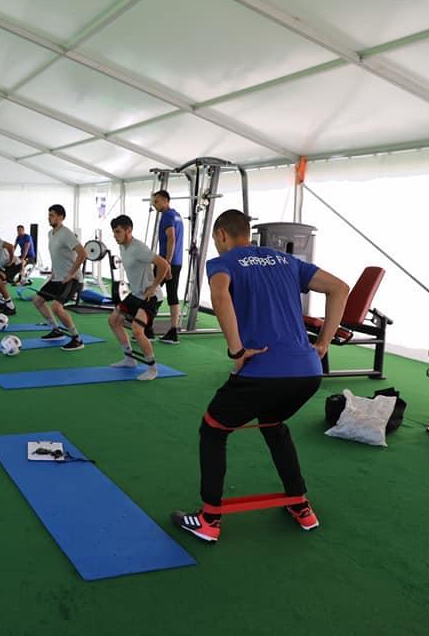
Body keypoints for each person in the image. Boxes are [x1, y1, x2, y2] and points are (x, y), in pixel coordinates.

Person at [171, 209, 349, 542]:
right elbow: (340, 288)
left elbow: (219, 295)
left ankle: (209, 519)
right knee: (273, 424)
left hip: (262, 372)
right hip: (308, 373)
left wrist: (236, 351)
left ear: (222, 235)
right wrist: (324, 342)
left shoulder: (222, 262)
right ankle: (300, 504)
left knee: (212, 430)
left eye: (216, 239)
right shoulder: (286, 260)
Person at [106, 214, 169, 381]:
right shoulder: (122, 247)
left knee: (137, 330)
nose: (115, 236)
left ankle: (152, 368)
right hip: (135, 294)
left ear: (129, 230)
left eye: (118, 232)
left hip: (150, 297)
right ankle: (130, 359)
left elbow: (164, 264)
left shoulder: (138, 248)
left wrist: (153, 286)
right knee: (113, 320)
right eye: (114, 232)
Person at [33, 204, 86, 351]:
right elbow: (57, 256)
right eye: (49, 215)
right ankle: (56, 330)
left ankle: (77, 339)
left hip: (72, 279)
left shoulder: (66, 234)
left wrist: (71, 274)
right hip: (57, 278)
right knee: (37, 301)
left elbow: (82, 253)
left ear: (61, 217)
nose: (49, 218)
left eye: (52, 215)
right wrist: (53, 272)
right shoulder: (51, 234)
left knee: (56, 307)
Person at [152, 190, 184, 344]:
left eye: (156, 201)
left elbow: (171, 238)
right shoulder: (177, 215)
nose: (154, 205)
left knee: (150, 291)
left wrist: (167, 263)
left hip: (166, 262)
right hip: (177, 262)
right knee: (172, 295)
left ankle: (146, 329)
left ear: (165, 200)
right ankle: (173, 331)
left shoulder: (167, 216)